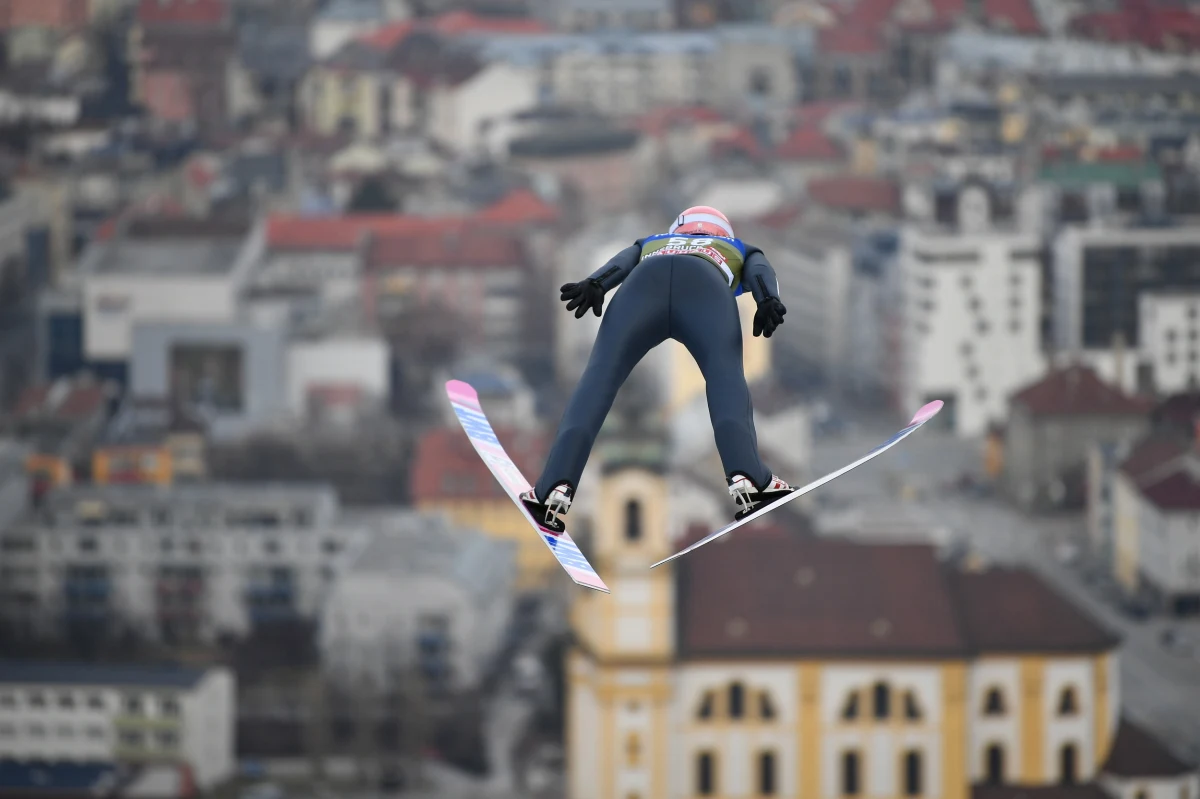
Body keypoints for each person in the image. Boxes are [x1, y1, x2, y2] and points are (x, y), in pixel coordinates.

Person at [520, 206, 794, 533]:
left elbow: (620, 263)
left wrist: (594, 284)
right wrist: (767, 300)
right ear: (724, 234)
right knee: (725, 381)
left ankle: (552, 491)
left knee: (597, 382)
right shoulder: (737, 249)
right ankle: (749, 481)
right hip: (704, 287)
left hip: (640, 289)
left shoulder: (654, 242)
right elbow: (761, 272)